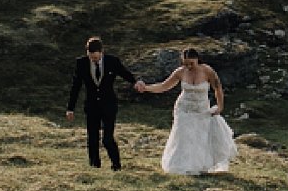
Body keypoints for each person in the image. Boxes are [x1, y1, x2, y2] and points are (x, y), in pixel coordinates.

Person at [135, 48, 238, 175]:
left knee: (199, 137)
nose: (188, 66)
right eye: (185, 63)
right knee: (184, 136)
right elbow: (164, 86)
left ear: (197, 60)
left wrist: (220, 106)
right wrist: (146, 88)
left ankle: (199, 166)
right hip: (183, 108)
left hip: (201, 109)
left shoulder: (207, 71)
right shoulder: (180, 72)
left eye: (191, 63)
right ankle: (181, 165)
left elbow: (217, 88)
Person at [66, 36, 138, 170]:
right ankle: (94, 166)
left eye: (95, 57)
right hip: (92, 106)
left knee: (107, 138)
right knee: (92, 138)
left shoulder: (112, 61)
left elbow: (125, 74)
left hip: (109, 105)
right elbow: (75, 86)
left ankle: (116, 165)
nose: (93, 59)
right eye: (91, 57)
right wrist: (70, 108)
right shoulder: (81, 63)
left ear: (101, 52)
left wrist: (136, 82)